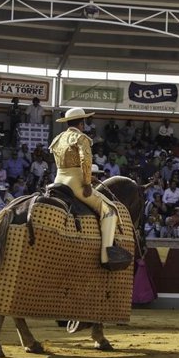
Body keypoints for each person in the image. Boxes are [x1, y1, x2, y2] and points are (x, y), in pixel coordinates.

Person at [49, 107, 132, 270]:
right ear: (82, 123)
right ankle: (106, 255)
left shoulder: (58, 138)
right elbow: (85, 162)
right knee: (109, 209)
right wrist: (87, 183)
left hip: (59, 180)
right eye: (84, 122)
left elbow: (66, 165)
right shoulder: (81, 138)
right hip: (75, 183)